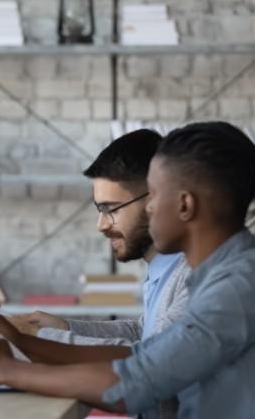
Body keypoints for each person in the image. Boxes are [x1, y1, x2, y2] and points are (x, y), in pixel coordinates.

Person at [0, 121, 255, 418]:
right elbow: (145, 353)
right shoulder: (219, 275)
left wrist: (4, 370)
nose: (149, 208)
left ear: (185, 205)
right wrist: (26, 341)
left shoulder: (235, 287)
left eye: (153, 195)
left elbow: (135, 383)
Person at [12, 129, 190, 350]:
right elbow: (143, 333)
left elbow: (151, 357)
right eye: (100, 209)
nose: (101, 225)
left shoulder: (193, 275)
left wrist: (41, 337)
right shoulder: (163, 269)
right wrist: (63, 327)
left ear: (154, 200)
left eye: (110, 209)